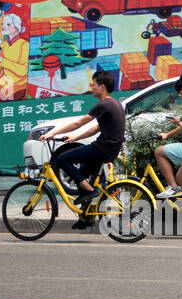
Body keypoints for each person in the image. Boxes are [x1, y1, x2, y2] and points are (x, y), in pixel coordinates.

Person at [40, 70, 125, 204]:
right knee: (81, 176)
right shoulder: (115, 103)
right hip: (111, 149)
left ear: (102, 87)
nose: (92, 88)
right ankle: (84, 218)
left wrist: (53, 133)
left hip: (102, 148)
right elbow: (96, 128)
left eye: (94, 85)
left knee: (62, 159)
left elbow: (78, 123)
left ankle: (90, 191)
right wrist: (75, 137)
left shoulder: (104, 105)